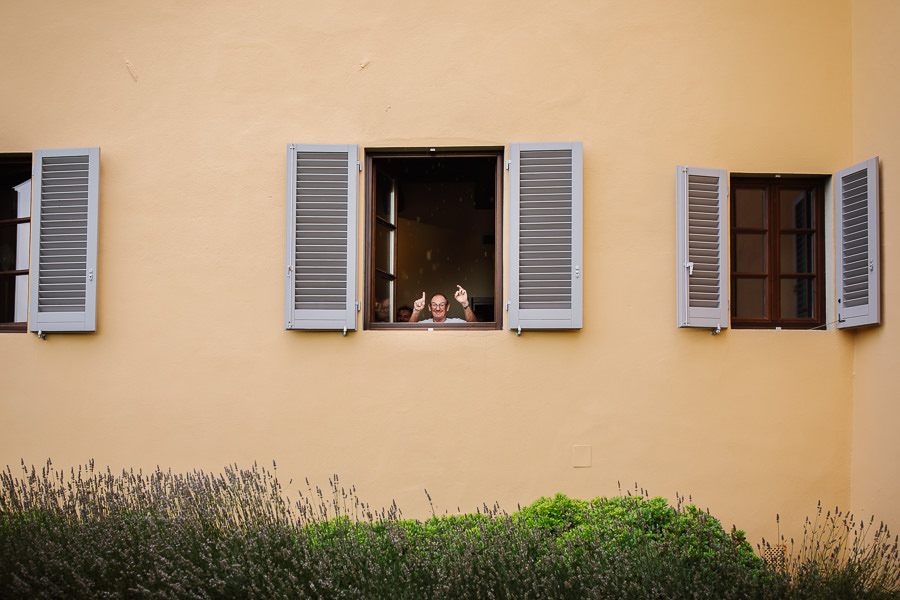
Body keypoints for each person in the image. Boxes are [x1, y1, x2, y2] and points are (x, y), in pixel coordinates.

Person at [408, 285, 477, 323]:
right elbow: (409, 331)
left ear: (447, 307)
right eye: (434, 305)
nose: (438, 309)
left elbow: (474, 326)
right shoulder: (423, 324)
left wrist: (465, 303)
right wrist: (416, 311)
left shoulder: (456, 323)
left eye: (441, 305)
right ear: (429, 307)